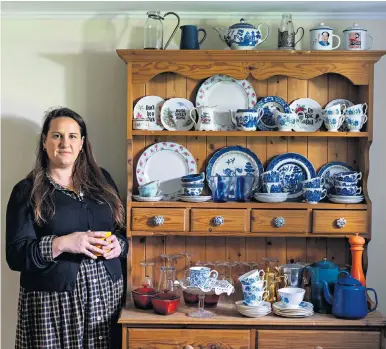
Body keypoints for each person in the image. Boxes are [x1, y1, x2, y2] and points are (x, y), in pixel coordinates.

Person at [6, 107, 128, 349]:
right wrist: (62, 243)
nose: (65, 143)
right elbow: (16, 255)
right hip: (52, 305)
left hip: (106, 299)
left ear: (82, 143)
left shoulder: (103, 181)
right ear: (44, 142)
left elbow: (123, 233)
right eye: (57, 135)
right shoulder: (27, 191)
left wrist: (119, 245)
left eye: (72, 136)